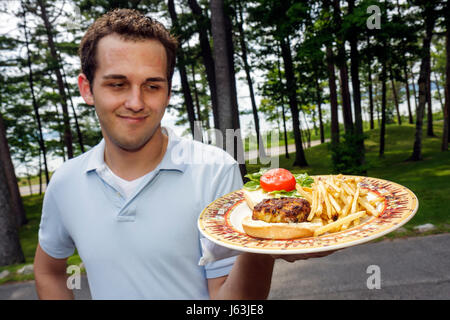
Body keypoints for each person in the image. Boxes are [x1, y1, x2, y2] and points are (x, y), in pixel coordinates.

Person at [34, 8, 333, 300]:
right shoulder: (65, 183)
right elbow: (48, 271)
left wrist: (262, 245)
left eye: (152, 85)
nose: (136, 102)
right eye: (117, 84)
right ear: (87, 89)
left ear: (168, 93)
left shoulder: (215, 170)